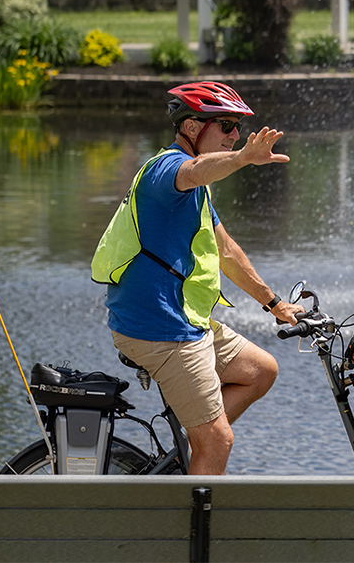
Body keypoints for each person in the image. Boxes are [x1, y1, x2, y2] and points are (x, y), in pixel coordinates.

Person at [92, 81, 304, 475]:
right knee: (220, 440)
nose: (235, 135)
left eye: (237, 128)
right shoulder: (167, 171)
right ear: (191, 127)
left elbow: (226, 251)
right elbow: (194, 170)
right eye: (226, 126)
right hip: (158, 329)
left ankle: (193, 453)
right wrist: (242, 158)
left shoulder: (198, 192)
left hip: (184, 320)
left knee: (262, 371)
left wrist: (274, 304)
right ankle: (192, 529)